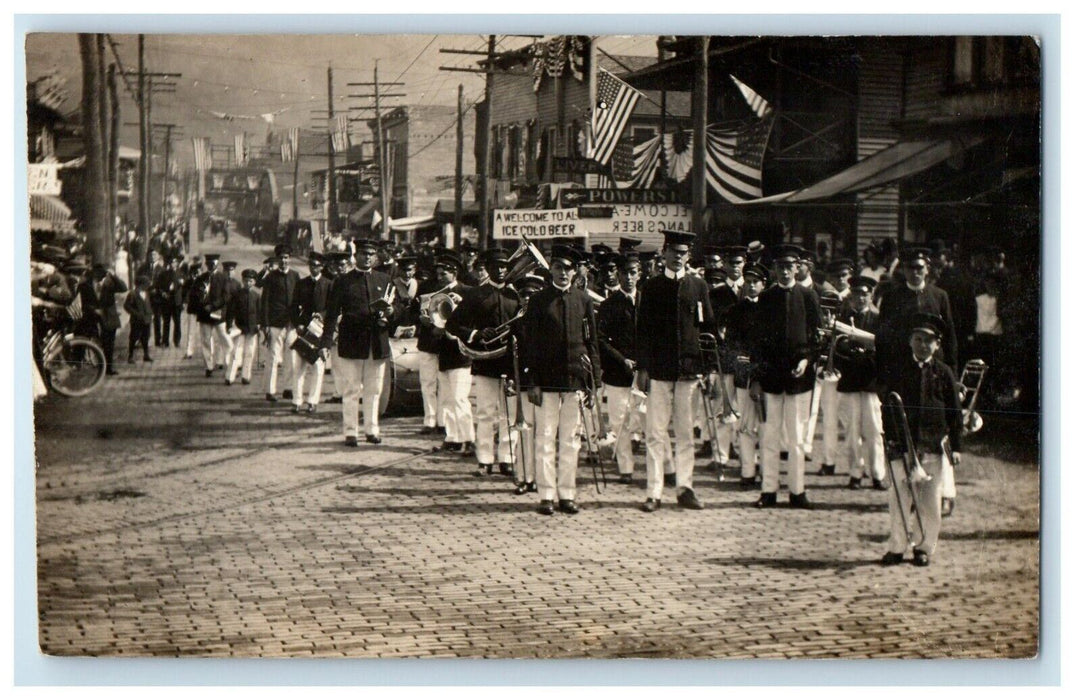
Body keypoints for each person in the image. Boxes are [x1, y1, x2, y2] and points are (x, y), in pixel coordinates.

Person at [634, 229, 715, 513]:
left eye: (683, 253)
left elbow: (707, 330)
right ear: (664, 253)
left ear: (689, 256)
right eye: (673, 252)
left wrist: (709, 369)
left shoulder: (698, 286)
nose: (678, 258)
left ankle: (685, 488)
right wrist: (643, 367)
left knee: (685, 432)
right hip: (659, 369)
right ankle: (653, 492)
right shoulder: (652, 287)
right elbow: (642, 331)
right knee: (656, 433)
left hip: (689, 370)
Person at [523, 245, 602, 515]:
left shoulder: (583, 300)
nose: (563, 273)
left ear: (575, 271)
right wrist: (531, 379)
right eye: (558, 267)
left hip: (575, 380)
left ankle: (567, 494)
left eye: (568, 268)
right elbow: (529, 344)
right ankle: (546, 495)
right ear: (551, 270)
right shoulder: (538, 301)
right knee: (545, 437)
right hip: (546, 380)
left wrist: (594, 380)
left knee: (571, 440)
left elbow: (591, 342)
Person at [880, 313, 963, 567]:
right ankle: (896, 547)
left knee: (929, 500)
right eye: (918, 339)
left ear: (937, 345)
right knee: (899, 498)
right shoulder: (898, 370)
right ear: (910, 341)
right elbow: (888, 407)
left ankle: (924, 546)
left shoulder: (944, 372)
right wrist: (892, 441)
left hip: (932, 444)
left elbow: (954, 411)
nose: (923, 345)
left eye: (929, 341)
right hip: (903, 444)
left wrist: (956, 446)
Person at [749, 244, 822, 509]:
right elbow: (756, 342)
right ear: (774, 269)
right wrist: (756, 378)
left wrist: (806, 360)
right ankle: (768, 491)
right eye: (780, 267)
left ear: (798, 267)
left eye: (790, 266)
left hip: (798, 380)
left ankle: (797, 491)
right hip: (771, 379)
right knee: (769, 437)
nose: (785, 271)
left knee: (797, 438)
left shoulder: (808, 296)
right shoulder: (767, 298)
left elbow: (818, 338)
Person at [446, 247, 521, 476]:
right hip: (486, 363)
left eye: (504, 266)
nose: (500, 270)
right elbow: (452, 325)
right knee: (486, 412)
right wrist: (476, 334)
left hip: (511, 362)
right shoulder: (476, 295)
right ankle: (485, 459)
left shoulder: (515, 296)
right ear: (487, 269)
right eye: (496, 266)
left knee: (510, 413)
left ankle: (507, 458)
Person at [321, 238, 400, 446]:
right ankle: (351, 432)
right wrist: (325, 342)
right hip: (352, 342)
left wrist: (392, 312)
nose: (367, 257)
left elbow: (399, 307)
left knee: (374, 390)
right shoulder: (343, 281)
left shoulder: (384, 279)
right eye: (363, 254)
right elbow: (331, 314)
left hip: (377, 342)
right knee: (351, 389)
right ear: (356, 256)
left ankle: (372, 430)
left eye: (371, 254)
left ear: (375, 257)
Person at [836, 276, 887, 490]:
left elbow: (883, 350)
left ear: (871, 296)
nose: (860, 298)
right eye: (856, 294)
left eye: (865, 294)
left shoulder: (878, 319)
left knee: (874, 430)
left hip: (871, 382)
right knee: (851, 431)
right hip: (849, 380)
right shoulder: (843, 318)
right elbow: (835, 351)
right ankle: (855, 472)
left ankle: (877, 473)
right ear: (850, 296)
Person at [596, 253, 639, 485]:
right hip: (616, 373)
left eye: (633, 273)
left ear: (639, 274)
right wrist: (622, 360)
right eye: (624, 273)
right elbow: (601, 340)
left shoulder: (646, 301)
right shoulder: (608, 305)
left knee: (645, 419)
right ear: (618, 275)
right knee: (619, 421)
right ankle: (626, 468)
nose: (629, 278)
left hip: (644, 373)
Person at [726, 262, 768, 488]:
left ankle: (766, 469)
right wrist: (738, 358)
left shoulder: (770, 309)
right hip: (744, 375)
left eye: (756, 282)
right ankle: (747, 470)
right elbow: (730, 343)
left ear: (764, 284)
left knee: (765, 424)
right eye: (748, 282)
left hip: (765, 376)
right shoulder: (736, 310)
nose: (751, 286)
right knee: (744, 424)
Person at [290, 253, 333, 413]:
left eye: (317, 265)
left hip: (320, 331)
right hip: (304, 331)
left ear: (322, 267)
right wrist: (298, 323)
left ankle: (312, 401)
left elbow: (332, 309)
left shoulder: (328, 285)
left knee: (318, 366)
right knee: (298, 367)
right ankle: (296, 400)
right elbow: (294, 307)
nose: (313, 268)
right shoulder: (301, 284)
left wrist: (322, 315)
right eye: (311, 264)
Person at [257, 245, 300, 402]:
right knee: (274, 356)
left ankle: (288, 388)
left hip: (292, 323)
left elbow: (300, 299)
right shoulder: (271, 278)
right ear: (277, 259)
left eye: (286, 257)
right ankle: (270, 390)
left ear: (290, 259)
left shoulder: (295, 276)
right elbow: (265, 301)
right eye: (281, 258)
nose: (284, 261)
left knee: (291, 356)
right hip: (275, 323)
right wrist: (265, 324)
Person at [77, 263, 128, 376]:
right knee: (90, 340)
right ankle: (81, 364)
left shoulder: (110, 283)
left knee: (109, 343)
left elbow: (124, 288)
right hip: (92, 317)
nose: (101, 276)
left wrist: (114, 276)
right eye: (98, 274)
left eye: (103, 274)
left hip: (109, 317)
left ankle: (108, 369)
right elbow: (83, 303)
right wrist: (94, 310)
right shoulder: (85, 285)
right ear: (93, 274)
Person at [193, 254, 232, 378]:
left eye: (213, 264)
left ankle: (230, 362)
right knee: (206, 340)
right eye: (208, 264)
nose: (211, 266)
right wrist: (201, 304)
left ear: (217, 264)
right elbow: (194, 294)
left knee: (224, 338)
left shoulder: (223, 278)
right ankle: (208, 366)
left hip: (217, 313)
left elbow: (226, 297)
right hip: (204, 314)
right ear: (206, 264)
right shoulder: (201, 278)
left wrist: (213, 306)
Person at [225, 269, 261, 386]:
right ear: (242, 281)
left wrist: (259, 325)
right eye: (246, 281)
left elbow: (259, 313)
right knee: (236, 352)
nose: (248, 283)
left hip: (252, 329)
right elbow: (230, 311)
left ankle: (246, 376)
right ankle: (229, 376)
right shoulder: (237, 295)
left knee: (249, 353)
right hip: (239, 328)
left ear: (254, 282)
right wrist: (229, 325)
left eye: (250, 281)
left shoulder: (256, 296)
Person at [123, 274, 154, 364]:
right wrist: (135, 313)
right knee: (133, 337)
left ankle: (146, 355)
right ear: (140, 284)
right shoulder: (132, 294)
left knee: (146, 337)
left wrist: (151, 312)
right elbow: (126, 305)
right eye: (146, 284)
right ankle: (130, 356)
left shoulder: (147, 293)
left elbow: (148, 304)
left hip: (146, 319)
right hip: (136, 320)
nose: (148, 286)